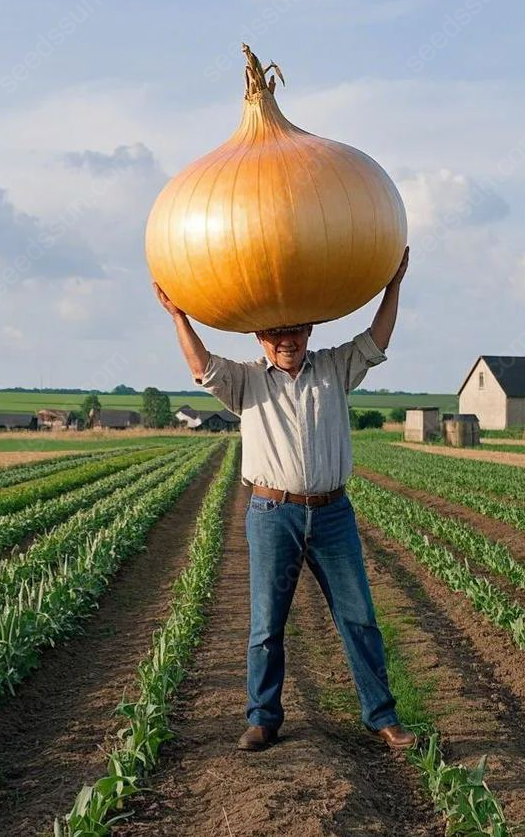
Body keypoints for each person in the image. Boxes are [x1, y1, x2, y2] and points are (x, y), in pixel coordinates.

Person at [154, 247, 414, 753]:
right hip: (273, 515)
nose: (286, 340)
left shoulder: (336, 368)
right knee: (267, 624)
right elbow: (201, 367)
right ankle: (264, 719)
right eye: (275, 334)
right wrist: (179, 316)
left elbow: (376, 341)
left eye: (294, 330)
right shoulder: (246, 381)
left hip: (332, 513)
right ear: (260, 338)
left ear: (310, 331)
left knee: (359, 616)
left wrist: (393, 286)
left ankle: (381, 717)